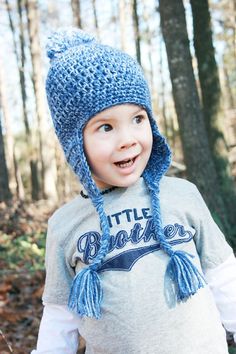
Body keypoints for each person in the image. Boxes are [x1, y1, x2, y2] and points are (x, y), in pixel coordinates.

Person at [32, 28, 236, 354]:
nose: (128, 138)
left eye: (138, 119)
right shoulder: (65, 225)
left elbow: (225, 277)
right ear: (74, 143)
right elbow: (59, 320)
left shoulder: (182, 195)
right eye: (106, 127)